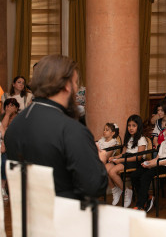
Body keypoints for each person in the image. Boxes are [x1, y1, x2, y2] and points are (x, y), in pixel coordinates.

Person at [4, 54, 107, 199]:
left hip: (29, 217)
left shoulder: (14, 126)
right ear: (66, 86)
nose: (77, 89)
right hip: (64, 216)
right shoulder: (72, 130)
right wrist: (99, 161)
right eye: (75, 83)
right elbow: (94, 186)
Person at [131, 119, 166, 211]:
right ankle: (147, 197)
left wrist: (153, 164)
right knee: (135, 175)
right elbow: (157, 157)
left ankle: (140, 205)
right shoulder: (163, 143)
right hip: (158, 164)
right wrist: (149, 163)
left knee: (146, 176)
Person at [106, 115, 147, 207]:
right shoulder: (128, 138)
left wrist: (121, 159)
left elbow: (139, 157)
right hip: (125, 158)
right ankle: (115, 190)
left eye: (134, 125)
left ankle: (126, 191)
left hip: (135, 160)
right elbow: (123, 153)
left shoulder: (141, 139)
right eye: (129, 125)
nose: (131, 128)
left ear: (139, 126)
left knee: (112, 172)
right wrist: (115, 157)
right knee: (105, 168)